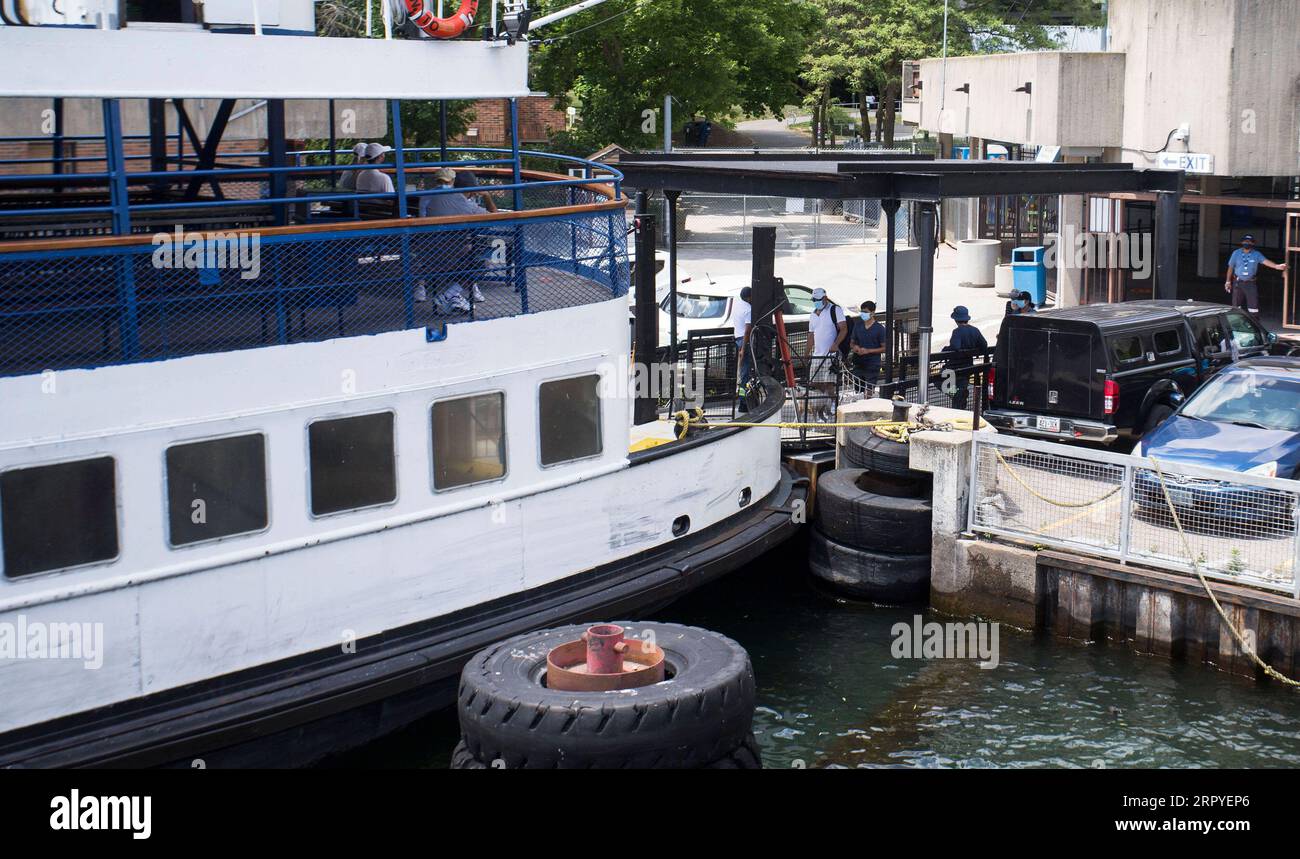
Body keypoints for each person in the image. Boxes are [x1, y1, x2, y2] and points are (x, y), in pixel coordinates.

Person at [808, 287, 848, 419]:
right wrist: (807, 353)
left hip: (830, 355)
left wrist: (835, 344)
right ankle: (822, 409)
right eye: (814, 300)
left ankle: (833, 407)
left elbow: (843, 329)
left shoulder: (835, 310)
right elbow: (811, 335)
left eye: (818, 300)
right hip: (817, 354)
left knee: (829, 383)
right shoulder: (813, 314)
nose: (816, 302)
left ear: (825, 298)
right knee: (816, 383)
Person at [1225, 234, 1285, 319]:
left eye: (1249, 241)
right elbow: (1230, 267)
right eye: (1245, 241)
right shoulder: (1236, 253)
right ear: (1242, 242)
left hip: (1250, 283)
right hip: (1237, 283)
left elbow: (1266, 261)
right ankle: (1236, 324)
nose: (1247, 243)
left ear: (1253, 243)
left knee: (1253, 306)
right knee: (1235, 305)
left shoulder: (1257, 254)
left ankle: (1254, 324)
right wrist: (1228, 281)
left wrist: (1277, 266)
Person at [941, 305, 988, 411]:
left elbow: (955, 347)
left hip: (954, 367)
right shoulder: (975, 330)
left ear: (956, 319)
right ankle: (960, 407)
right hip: (967, 367)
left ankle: (955, 393)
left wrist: (945, 349)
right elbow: (984, 345)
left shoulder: (957, 331)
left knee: (938, 379)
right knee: (962, 387)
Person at [848, 300, 886, 390]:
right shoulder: (858, 326)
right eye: (862, 311)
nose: (863, 314)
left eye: (865, 312)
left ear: (872, 313)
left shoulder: (880, 329)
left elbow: (885, 348)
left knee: (869, 390)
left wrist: (869, 351)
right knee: (858, 391)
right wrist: (855, 347)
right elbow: (852, 343)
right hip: (858, 363)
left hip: (872, 364)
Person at [734, 286, 754, 390]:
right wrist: (744, 348)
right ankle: (743, 399)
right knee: (745, 372)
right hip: (744, 340)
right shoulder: (748, 309)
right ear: (749, 297)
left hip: (737, 338)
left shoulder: (737, 306)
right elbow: (747, 330)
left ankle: (742, 394)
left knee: (742, 370)